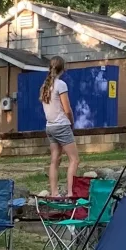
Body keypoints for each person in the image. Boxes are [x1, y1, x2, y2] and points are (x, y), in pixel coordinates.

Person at [40, 57, 81, 197]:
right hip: (61, 125)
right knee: (74, 159)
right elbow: (67, 109)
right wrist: (72, 122)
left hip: (50, 127)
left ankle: (54, 193)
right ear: (63, 68)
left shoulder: (45, 86)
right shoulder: (61, 84)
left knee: (55, 160)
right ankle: (70, 193)